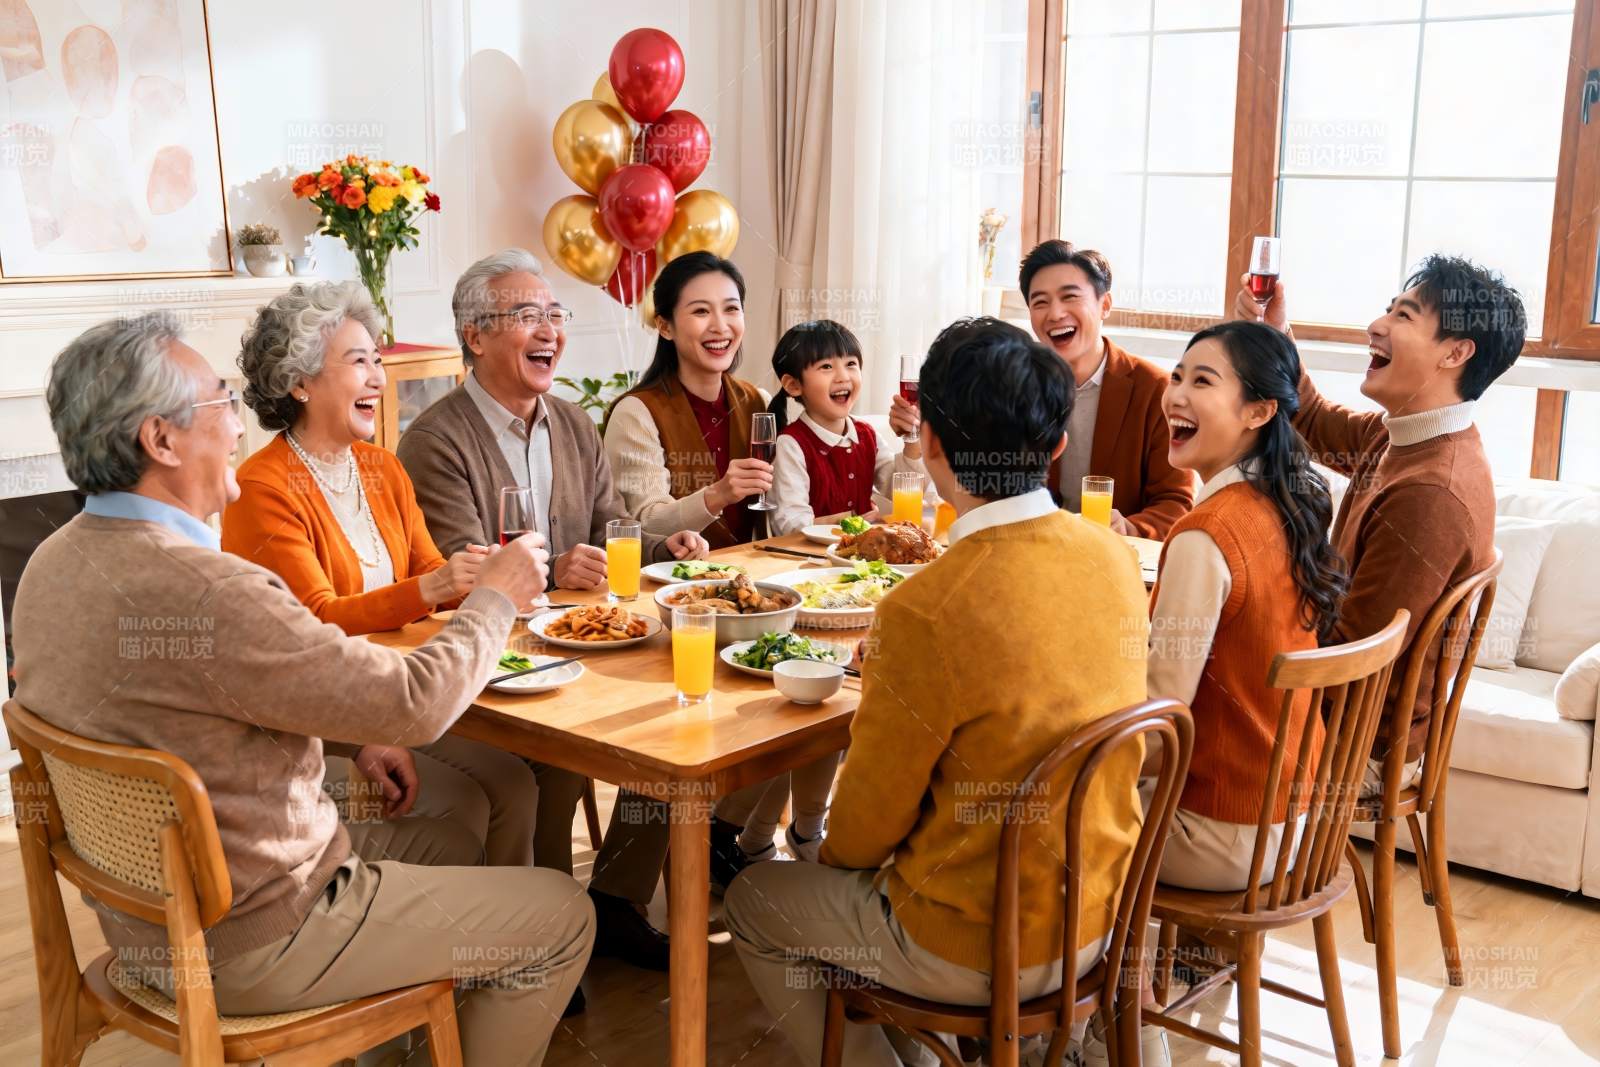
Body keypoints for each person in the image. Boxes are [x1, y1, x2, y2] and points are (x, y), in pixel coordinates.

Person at [12, 312, 590, 1065]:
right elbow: (414, 702)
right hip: (260, 929)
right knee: (565, 914)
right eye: (221, 402)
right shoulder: (211, 587)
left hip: (146, 921)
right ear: (160, 439)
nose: (241, 425)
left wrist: (348, 736)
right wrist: (496, 598)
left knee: (452, 834)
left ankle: (402, 1043)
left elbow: (205, 704)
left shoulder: (46, 566)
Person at [723, 318, 1149, 1066]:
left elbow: (859, 833)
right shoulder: (1114, 557)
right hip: (1100, 915)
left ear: (930, 446)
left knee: (755, 899)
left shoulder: (925, 607)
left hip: (973, 943)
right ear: (1055, 446)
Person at [397, 248, 707, 973]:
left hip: (577, 645)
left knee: (672, 729)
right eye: (526, 316)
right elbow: (465, 569)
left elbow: (606, 528)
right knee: (558, 764)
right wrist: (558, 574)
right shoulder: (435, 440)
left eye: (554, 314)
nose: (550, 331)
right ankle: (536, 940)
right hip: (491, 657)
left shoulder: (571, 423)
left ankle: (615, 901)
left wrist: (670, 543)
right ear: (476, 336)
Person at [222, 281, 541, 873]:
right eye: (358, 361)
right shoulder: (261, 489)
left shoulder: (381, 468)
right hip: (318, 715)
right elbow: (313, 620)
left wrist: (478, 576)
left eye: (378, 360)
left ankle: (507, 951)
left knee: (517, 782)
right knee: (467, 801)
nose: (378, 378)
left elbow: (427, 572)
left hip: (396, 689)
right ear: (300, 382)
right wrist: (436, 588)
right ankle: (438, 945)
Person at [1235, 254, 1523, 789]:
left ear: (1456, 353)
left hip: (1354, 743)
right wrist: (1275, 336)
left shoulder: (1430, 493)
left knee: (1163, 732)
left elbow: (1354, 659)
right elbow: (1315, 422)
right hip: (1340, 709)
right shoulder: (1410, 434)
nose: (1377, 326)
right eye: (1387, 310)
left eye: (1405, 316)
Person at [1146, 321, 1347, 890]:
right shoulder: (1286, 501)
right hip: (1293, 820)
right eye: (1178, 375)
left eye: (1203, 381)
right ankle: (1165, 969)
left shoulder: (1206, 533)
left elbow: (1158, 715)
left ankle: (1121, 977)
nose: (1176, 394)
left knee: (1024, 811)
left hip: (1220, 832)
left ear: (1258, 412)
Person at [1021, 240, 1194, 538]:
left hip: (1119, 563)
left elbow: (1176, 502)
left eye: (1069, 297)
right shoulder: (1016, 387)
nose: (1055, 313)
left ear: (1105, 305)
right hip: (1036, 555)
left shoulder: (1157, 390)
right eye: (1040, 302)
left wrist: (1129, 527)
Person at [604, 251, 774, 546]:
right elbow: (643, 524)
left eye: (731, 309)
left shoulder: (758, 401)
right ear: (665, 327)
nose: (720, 326)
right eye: (701, 312)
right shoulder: (636, 413)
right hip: (671, 585)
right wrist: (717, 495)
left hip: (754, 576)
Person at [765, 318, 925, 536]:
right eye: (826, 367)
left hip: (862, 560)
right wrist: (851, 522)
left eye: (851, 364)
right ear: (793, 385)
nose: (843, 377)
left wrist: (912, 437)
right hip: (809, 562)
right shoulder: (791, 444)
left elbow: (902, 491)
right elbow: (790, 524)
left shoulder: (867, 434)